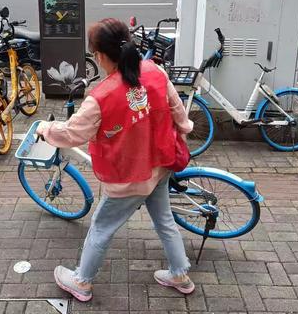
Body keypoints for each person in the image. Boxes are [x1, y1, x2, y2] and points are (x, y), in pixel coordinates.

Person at [36, 18, 194, 302]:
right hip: (160, 163)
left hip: (128, 176)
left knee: (101, 226)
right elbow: (176, 108)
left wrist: (45, 129)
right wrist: (184, 131)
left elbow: (72, 133)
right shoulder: (155, 71)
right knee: (164, 219)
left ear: (99, 55)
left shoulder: (101, 97)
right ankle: (180, 274)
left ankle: (82, 282)